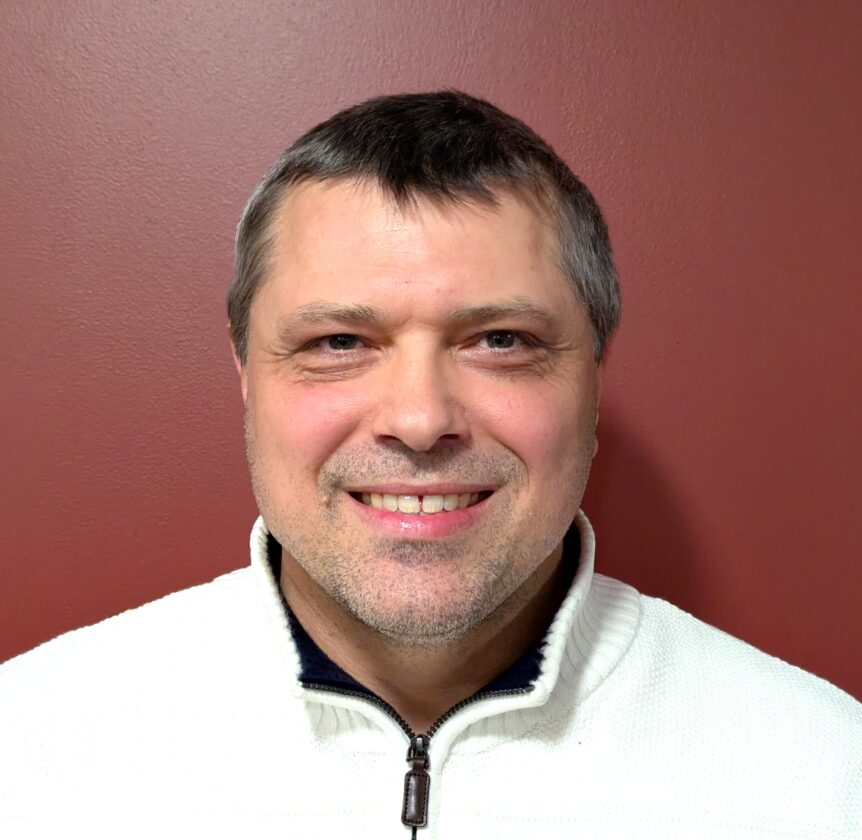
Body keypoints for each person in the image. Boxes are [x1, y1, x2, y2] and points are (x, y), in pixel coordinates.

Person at [2, 91, 860, 839]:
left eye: (501, 341)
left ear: (593, 382)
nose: (419, 421)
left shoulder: (822, 779)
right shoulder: (29, 756)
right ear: (247, 376)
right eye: (339, 342)